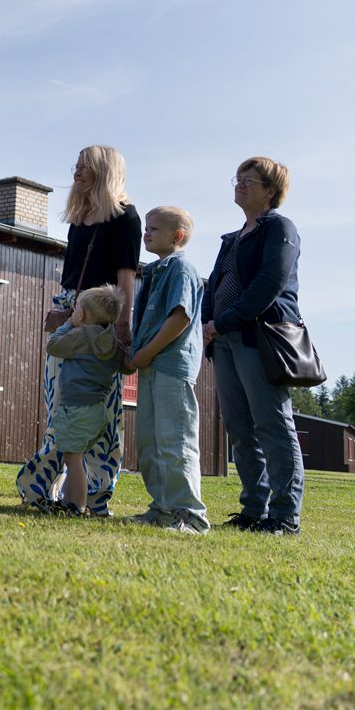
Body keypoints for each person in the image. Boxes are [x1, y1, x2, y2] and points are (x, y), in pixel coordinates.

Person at [16, 145, 140, 515]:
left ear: (104, 171)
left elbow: (124, 282)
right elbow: (72, 274)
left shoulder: (125, 218)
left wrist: (122, 327)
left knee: (99, 408)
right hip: (70, 315)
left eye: (85, 166)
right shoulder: (77, 219)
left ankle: (96, 495)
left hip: (100, 321)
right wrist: (63, 312)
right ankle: (47, 489)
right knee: (61, 404)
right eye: (76, 165)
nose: (77, 172)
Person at [202, 158, 306, 535]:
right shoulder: (232, 238)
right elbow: (215, 286)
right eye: (238, 178)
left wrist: (221, 322)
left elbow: (268, 285)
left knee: (272, 424)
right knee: (240, 428)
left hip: (259, 339)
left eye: (250, 180)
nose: (240, 184)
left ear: (270, 190)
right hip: (224, 340)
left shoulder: (280, 228)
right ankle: (254, 510)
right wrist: (208, 325)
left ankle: (284, 517)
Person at [126, 206, 208, 533]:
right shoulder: (155, 270)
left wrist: (146, 352)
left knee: (175, 442)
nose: (146, 233)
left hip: (171, 366)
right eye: (146, 227)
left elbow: (180, 317)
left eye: (154, 229)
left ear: (177, 236)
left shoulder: (182, 269)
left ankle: (190, 515)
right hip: (150, 365)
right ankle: (162, 509)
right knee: (151, 443)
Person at [31, 285, 124, 516]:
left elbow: (54, 345)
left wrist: (69, 323)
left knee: (73, 458)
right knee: (75, 456)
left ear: (82, 314)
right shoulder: (110, 340)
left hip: (77, 408)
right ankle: (70, 501)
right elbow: (124, 363)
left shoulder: (81, 335)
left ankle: (77, 505)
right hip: (97, 410)